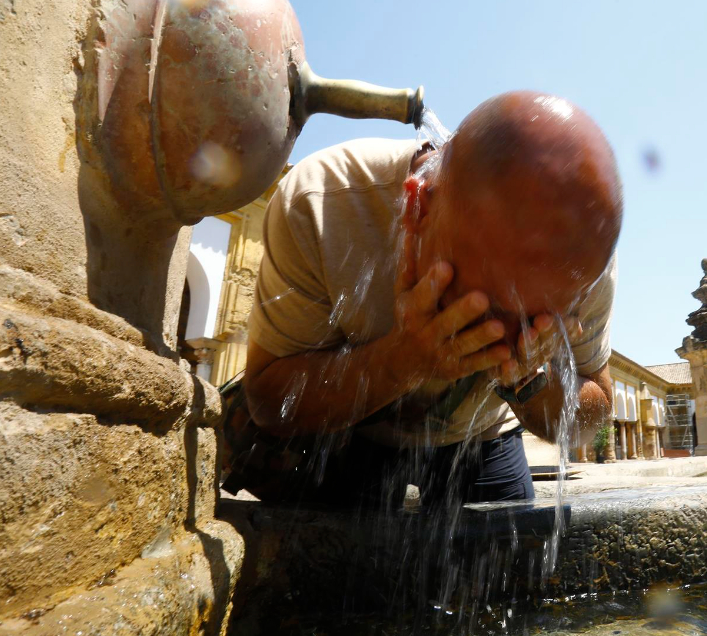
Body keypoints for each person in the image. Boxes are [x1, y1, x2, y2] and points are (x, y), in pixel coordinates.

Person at [227, 91, 623, 510]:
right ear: (417, 207)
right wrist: (402, 360)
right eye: (486, 306)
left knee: (511, 565)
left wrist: (529, 382)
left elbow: (592, 413)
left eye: (537, 317)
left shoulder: (585, 263)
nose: (503, 334)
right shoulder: (323, 201)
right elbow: (269, 402)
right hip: (348, 432)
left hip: (483, 433)